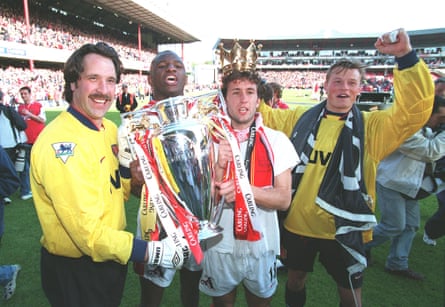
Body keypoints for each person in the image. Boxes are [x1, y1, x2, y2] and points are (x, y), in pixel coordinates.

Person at [258, 28, 434, 307]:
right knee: (295, 280)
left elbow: (413, 112)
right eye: (337, 81)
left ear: (359, 89)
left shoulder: (373, 128)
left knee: (350, 295)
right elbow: (263, 117)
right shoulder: (299, 118)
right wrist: (245, 80)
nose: (344, 88)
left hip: (344, 228)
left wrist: (405, 56)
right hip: (298, 223)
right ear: (325, 86)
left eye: (351, 82)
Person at [30, 42, 186, 307]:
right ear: (73, 83)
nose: (103, 90)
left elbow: (116, 191)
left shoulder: (108, 129)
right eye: (93, 78)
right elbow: (88, 235)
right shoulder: (60, 144)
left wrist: (132, 175)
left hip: (109, 257)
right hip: (78, 268)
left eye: (110, 80)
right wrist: (153, 251)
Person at [198, 42, 299, 307]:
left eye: (250, 92)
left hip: (261, 245)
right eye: (236, 92)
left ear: (258, 98)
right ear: (224, 98)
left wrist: (244, 189)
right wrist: (218, 167)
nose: (243, 100)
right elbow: (200, 203)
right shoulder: (208, 141)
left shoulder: (277, 141)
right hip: (220, 244)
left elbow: (283, 199)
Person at [121, 50, 200, 307]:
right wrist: (136, 181)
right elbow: (130, 188)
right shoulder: (133, 124)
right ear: (150, 78)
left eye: (177, 66)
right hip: (155, 222)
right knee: (151, 294)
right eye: (163, 65)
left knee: (192, 288)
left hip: (198, 220)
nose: (171, 69)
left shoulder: (202, 118)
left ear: (185, 78)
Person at [365, 94, 445, 281]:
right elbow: (429, 152)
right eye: (440, 117)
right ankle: (358, 247)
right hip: (391, 182)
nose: (442, 121)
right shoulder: (405, 128)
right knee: (393, 225)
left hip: (410, 185)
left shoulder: (427, 129)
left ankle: (397, 264)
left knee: (410, 226)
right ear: (426, 113)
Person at [423, 77, 445, 246]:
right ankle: (431, 231)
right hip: (436, 169)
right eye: (439, 92)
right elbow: (430, 151)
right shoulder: (425, 116)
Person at [16, 86, 46, 200]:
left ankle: (44, 188)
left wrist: (29, 114)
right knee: (24, 166)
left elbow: (43, 120)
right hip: (24, 141)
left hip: (37, 140)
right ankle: (25, 190)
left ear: (30, 94)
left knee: (38, 165)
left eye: (25, 94)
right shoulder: (19, 107)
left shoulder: (38, 105)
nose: (23, 96)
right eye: (22, 94)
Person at [0, 99, 27, 204]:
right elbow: (22, 125)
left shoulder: (7, 110)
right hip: (9, 144)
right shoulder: (8, 110)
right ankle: (23, 191)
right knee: (13, 170)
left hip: (7, 144)